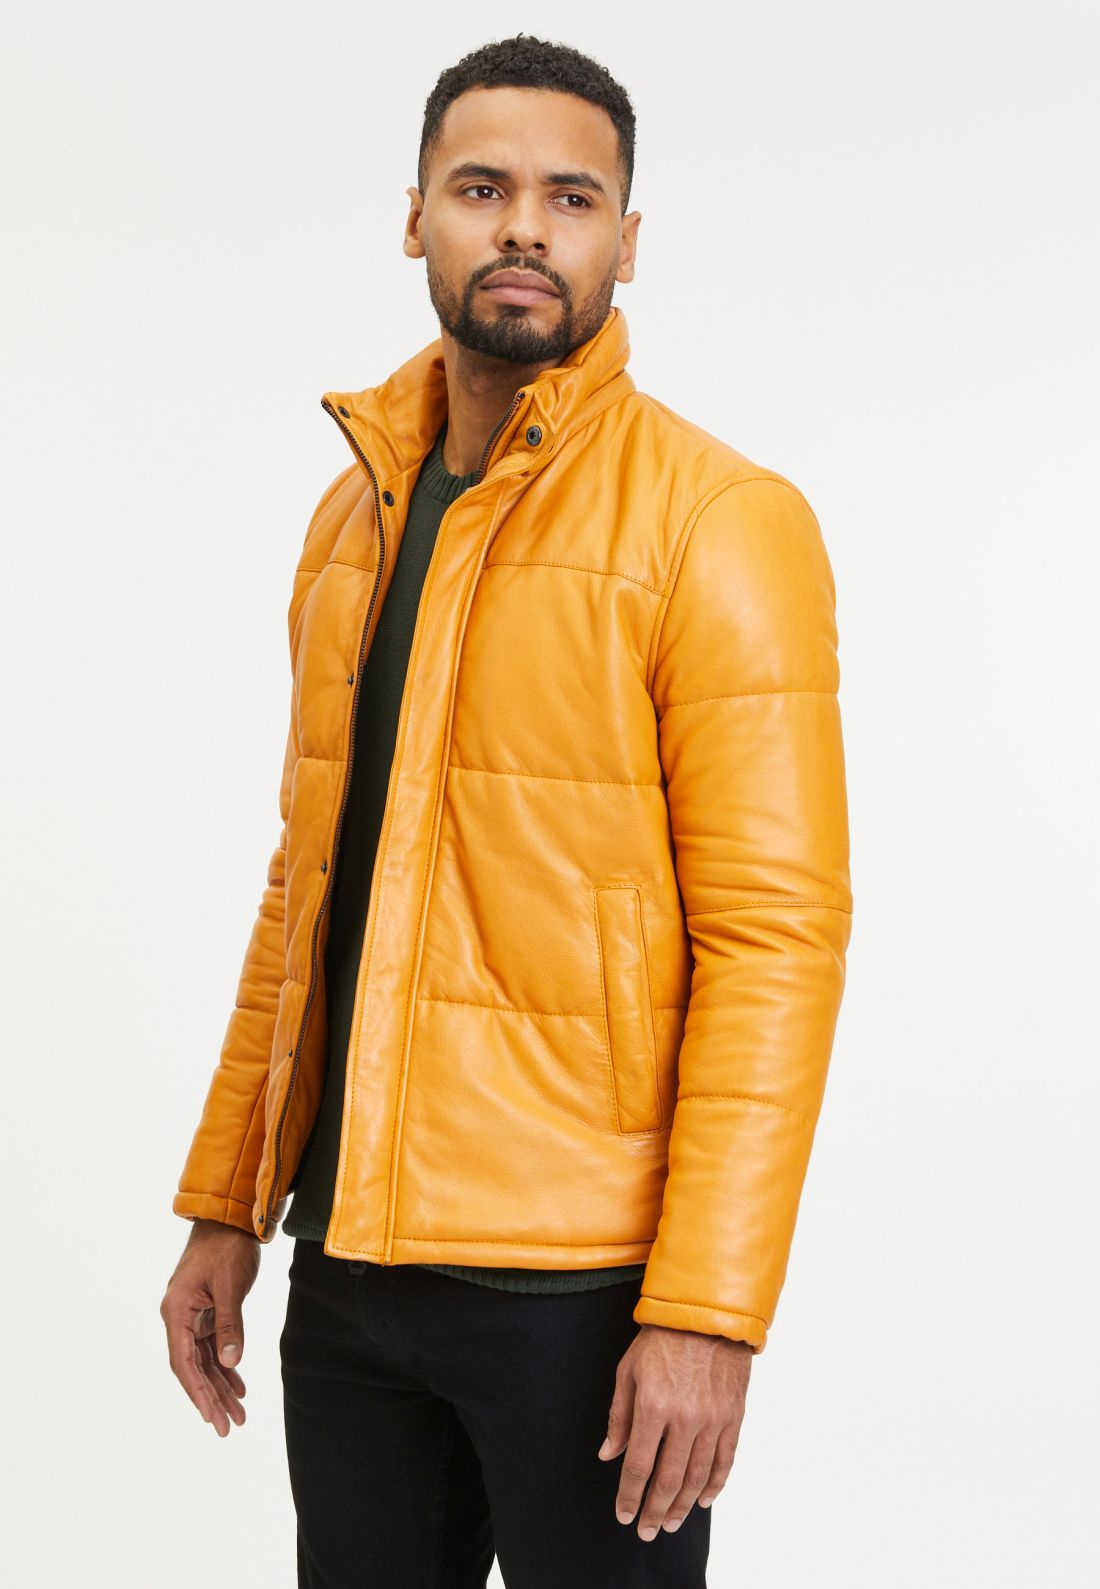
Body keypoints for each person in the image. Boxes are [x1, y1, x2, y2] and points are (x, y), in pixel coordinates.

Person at [160, 32, 853, 1589]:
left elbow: (777, 942)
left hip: (582, 1296)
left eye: (571, 197)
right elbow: (308, 884)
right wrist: (229, 1201)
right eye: (482, 189)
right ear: (415, 215)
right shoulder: (355, 518)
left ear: (627, 239)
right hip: (349, 1270)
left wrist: (709, 1307)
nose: (525, 228)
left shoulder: (718, 520)